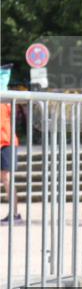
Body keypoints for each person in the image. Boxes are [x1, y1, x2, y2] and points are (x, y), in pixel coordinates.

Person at [1, 92, 21, 224]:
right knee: (6, 178)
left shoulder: (2, 101)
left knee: (7, 177)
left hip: (6, 142)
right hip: (5, 141)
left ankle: (14, 214)